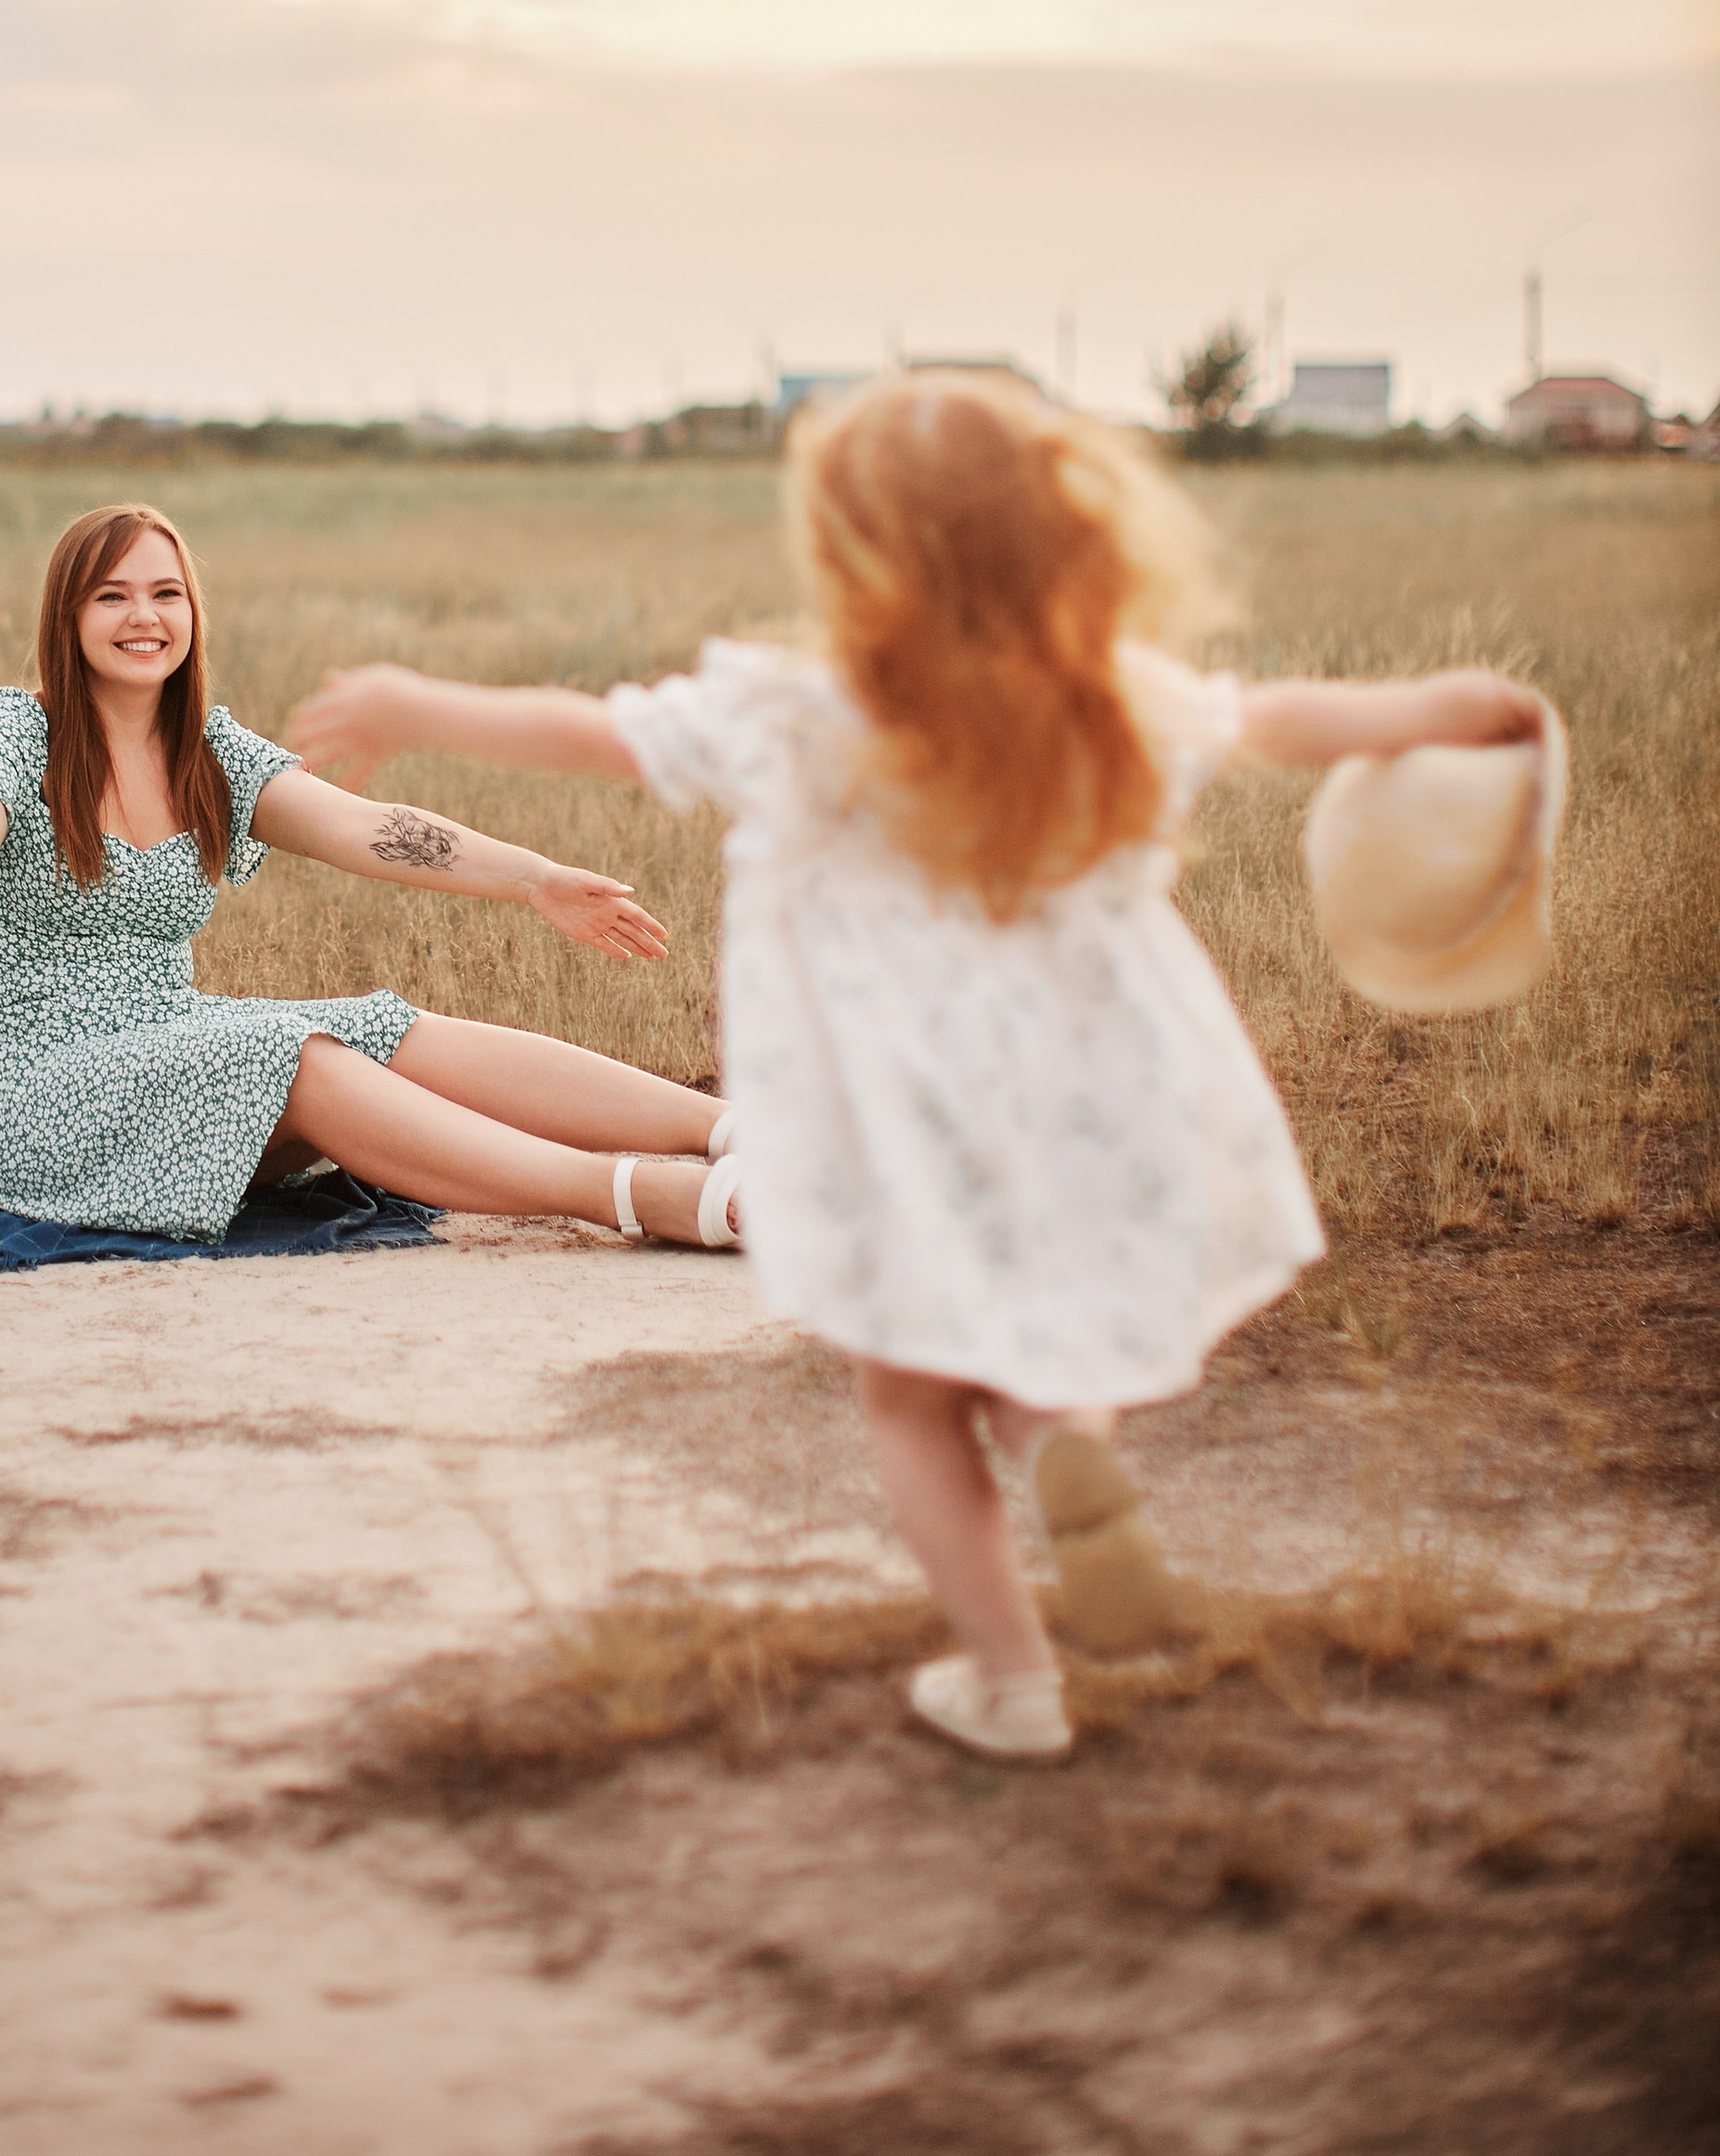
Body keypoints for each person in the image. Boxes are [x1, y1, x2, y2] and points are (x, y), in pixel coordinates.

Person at [290, 372, 1551, 1762]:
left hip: (889, 1107)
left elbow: (593, 733)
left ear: (852, 555)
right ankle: (1066, 1431)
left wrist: (419, 700)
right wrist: (1441, 706)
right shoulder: (1109, 697)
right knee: (1026, 1322)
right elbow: (1280, 724)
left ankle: (1011, 1680)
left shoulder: (801, 708)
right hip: (1084, 1095)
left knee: (907, 1389)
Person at [0, 502, 741, 1250]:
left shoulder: (207, 750)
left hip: (169, 1039)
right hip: (39, 1093)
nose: (145, 617)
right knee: (293, 1051)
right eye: (113, 595)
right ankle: (625, 1194)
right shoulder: (20, 728)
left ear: (192, 614)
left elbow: (367, 828)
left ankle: (731, 1130)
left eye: (165, 593)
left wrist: (534, 879)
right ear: (70, 615)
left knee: (381, 1022)